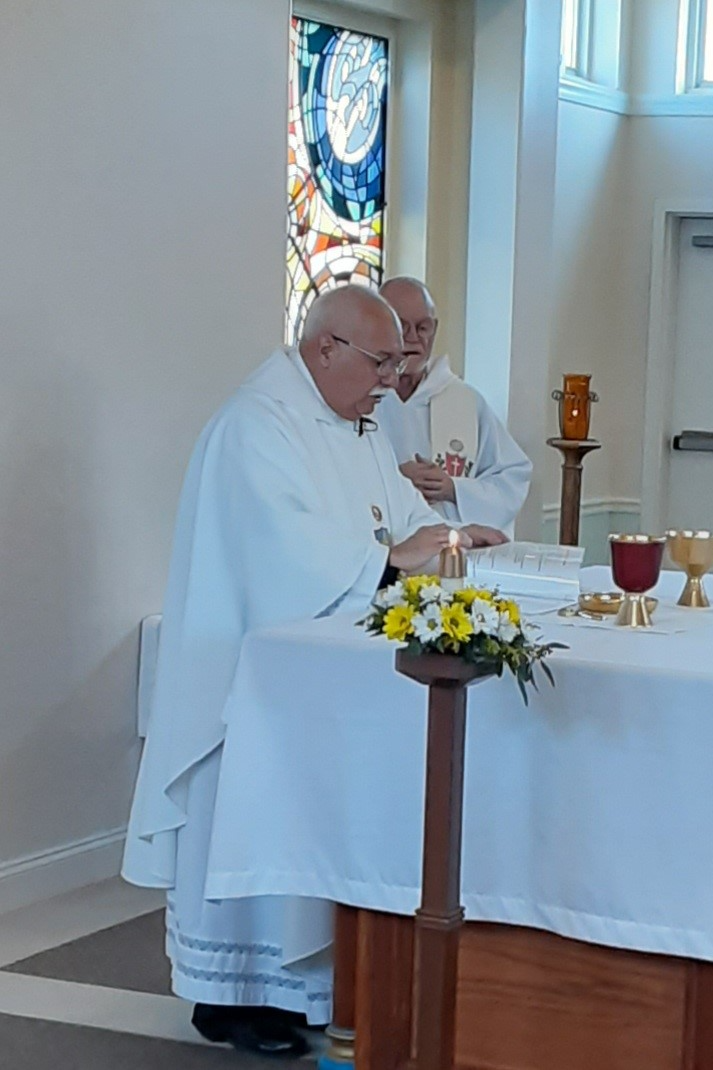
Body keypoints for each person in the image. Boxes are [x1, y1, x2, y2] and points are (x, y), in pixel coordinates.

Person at [122, 285, 506, 1057]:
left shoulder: (353, 423)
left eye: (399, 364)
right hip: (244, 684)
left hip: (316, 685)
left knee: (311, 830)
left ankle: (299, 994)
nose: (391, 382)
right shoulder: (256, 423)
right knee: (250, 825)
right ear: (325, 347)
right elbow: (277, 550)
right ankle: (229, 1000)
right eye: (380, 362)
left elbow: (400, 520)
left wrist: (448, 538)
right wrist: (389, 561)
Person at [376, 276, 532, 534]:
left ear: (434, 329)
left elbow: (512, 476)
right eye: (402, 327)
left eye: (422, 327)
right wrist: (396, 482)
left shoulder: (464, 401)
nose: (413, 338)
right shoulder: (360, 397)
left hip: (453, 553)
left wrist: (454, 489)